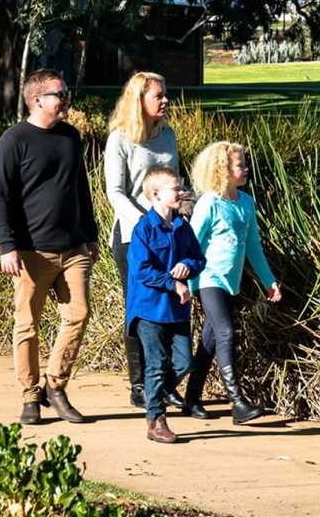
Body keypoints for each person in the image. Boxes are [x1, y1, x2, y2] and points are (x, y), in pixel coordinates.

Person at [0, 68, 99, 426]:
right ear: (37, 99)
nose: (66, 99)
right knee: (27, 325)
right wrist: (8, 246)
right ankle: (30, 394)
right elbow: (0, 199)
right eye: (60, 94)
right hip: (31, 251)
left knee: (78, 315)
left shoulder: (70, 137)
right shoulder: (13, 140)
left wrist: (91, 234)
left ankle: (56, 386)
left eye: (65, 93)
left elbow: (81, 189)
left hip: (73, 248)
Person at [104, 71, 187, 410]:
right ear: (139, 100)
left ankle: (165, 381)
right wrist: (146, 224)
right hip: (133, 237)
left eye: (166, 94)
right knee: (141, 311)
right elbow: (115, 192)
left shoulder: (168, 136)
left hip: (170, 237)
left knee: (171, 307)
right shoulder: (120, 139)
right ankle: (140, 384)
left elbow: (176, 183)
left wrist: (184, 213)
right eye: (158, 96)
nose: (166, 101)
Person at [183, 141, 282, 424]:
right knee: (227, 333)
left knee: (210, 342)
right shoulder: (210, 203)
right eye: (240, 165)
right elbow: (192, 245)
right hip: (208, 278)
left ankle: (191, 399)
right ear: (222, 170)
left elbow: (253, 247)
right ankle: (237, 401)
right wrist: (189, 285)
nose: (246, 168)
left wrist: (269, 281)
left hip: (231, 282)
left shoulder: (245, 203)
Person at [126, 167, 206, 443]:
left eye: (181, 185)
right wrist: (172, 283)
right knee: (157, 363)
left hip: (177, 310)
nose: (181, 190)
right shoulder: (143, 229)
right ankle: (156, 420)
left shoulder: (184, 227)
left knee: (184, 362)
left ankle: (154, 395)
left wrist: (187, 265)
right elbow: (141, 269)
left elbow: (198, 258)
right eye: (175, 187)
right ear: (156, 194)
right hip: (149, 309)